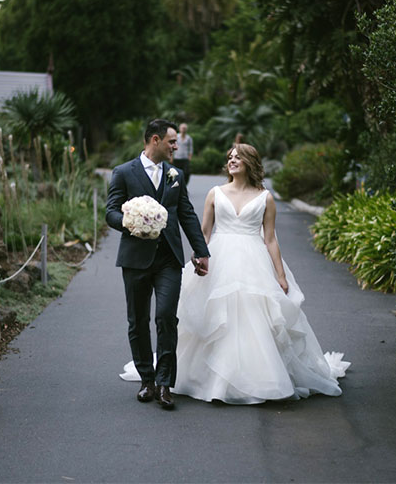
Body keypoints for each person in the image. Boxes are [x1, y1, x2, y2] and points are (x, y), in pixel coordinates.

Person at [121, 143, 350, 404]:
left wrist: (280, 275)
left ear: (250, 162)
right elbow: (203, 233)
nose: (232, 160)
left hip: (254, 262)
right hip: (219, 259)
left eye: (238, 157)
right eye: (230, 157)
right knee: (215, 317)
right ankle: (202, 378)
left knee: (254, 319)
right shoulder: (215, 193)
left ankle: (253, 378)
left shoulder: (266, 197)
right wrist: (198, 257)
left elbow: (271, 239)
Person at [106, 119, 210, 410]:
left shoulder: (176, 174)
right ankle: (147, 380)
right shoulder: (124, 172)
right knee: (137, 321)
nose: (177, 146)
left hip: (168, 259)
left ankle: (165, 383)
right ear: (155, 140)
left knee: (166, 317)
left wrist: (201, 251)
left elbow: (187, 213)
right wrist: (130, 222)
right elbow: (110, 212)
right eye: (172, 141)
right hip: (135, 259)